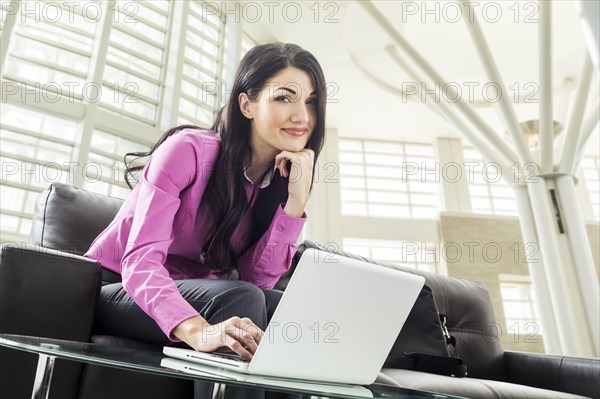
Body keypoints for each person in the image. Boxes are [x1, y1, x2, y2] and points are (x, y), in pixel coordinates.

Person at [82, 42, 326, 398]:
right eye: (285, 98)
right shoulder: (187, 151)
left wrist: (294, 204)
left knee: (287, 312)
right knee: (239, 301)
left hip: (199, 293)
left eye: (311, 101)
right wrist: (198, 330)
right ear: (247, 104)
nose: (302, 116)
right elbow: (140, 261)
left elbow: (257, 281)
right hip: (117, 288)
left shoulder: (277, 181)